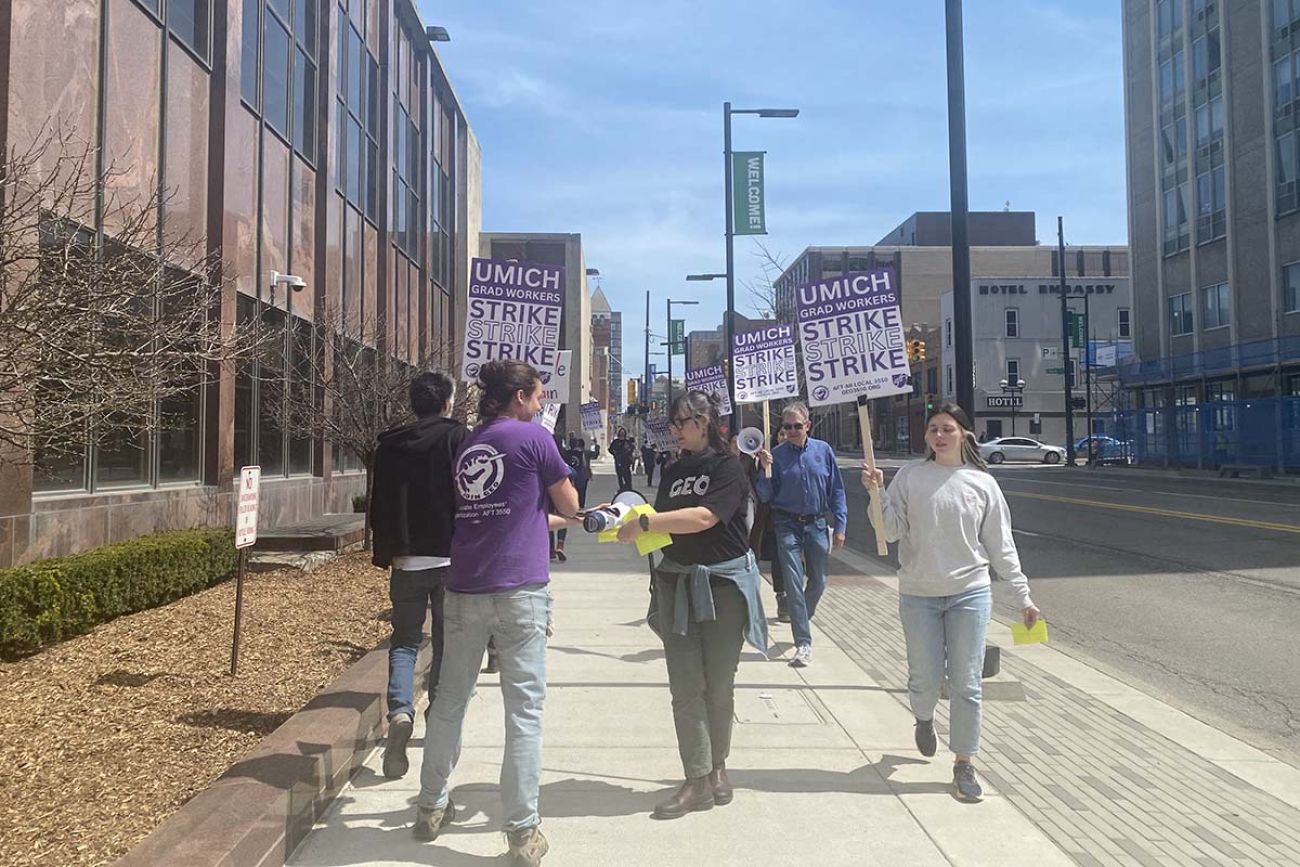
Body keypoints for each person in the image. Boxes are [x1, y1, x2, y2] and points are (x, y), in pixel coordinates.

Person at [413, 360, 579, 866]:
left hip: (464, 585)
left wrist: (533, 516)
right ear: (520, 398)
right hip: (520, 590)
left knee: (449, 701)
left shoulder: (469, 443)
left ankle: (430, 805)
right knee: (523, 713)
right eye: (538, 395)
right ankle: (522, 832)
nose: (542, 402)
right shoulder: (534, 440)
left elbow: (504, 507)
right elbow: (569, 505)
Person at [862, 403, 1041, 803]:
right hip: (918, 593)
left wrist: (1023, 596)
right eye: (932, 430)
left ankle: (964, 763)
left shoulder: (982, 483)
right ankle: (923, 717)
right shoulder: (910, 477)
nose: (938, 436)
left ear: (965, 434)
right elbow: (888, 532)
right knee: (924, 678)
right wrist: (876, 494)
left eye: (947, 429)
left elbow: (1001, 546)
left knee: (967, 682)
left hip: (970, 592)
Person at [617, 391, 768, 820]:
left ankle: (718, 767)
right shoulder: (675, 469)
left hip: (723, 587)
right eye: (673, 423)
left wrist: (645, 522)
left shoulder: (729, 469)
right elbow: (668, 528)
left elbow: (704, 518)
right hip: (677, 584)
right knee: (686, 688)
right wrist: (628, 525)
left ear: (704, 422)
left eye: (681, 421)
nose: (675, 429)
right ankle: (697, 777)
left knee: (719, 685)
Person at [369, 372, 466, 779]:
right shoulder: (459, 439)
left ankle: (399, 713)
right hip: (449, 560)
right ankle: (437, 713)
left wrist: (386, 552)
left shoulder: (389, 445)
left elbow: (380, 504)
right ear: (446, 402)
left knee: (405, 642)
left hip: (406, 560)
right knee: (447, 644)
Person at [755, 402, 848, 668]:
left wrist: (840, 525)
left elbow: (837, 491)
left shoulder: (823, 451)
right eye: (788, 427)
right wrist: (764, 470)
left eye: (798, 425)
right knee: (794, 583)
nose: (793, 430)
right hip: (787, 525)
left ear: (807, 425)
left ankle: (802, 615)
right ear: (782, 429)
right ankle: (803, 643)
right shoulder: (776, 455)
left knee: (819, 580)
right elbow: (765, 495)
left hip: (817, 525)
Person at [552, 433, 592, 562]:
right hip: (562, 490)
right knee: (563, 517)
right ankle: (560, 546)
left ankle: (550, 550)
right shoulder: (563, 456)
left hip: (546, 495)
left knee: (548, 520)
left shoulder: (544, 456)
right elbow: (571, 472)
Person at [610, 426, 635, 491]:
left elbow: (631, 449)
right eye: (621, 432)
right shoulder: (616, 442)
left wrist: (628, 452)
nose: (622, 434)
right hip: (618, 460)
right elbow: (611, 449)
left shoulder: (627, 442)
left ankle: (628, 486)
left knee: (627, 475)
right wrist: (615, 453)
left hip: (626, 461)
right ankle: (621, 487)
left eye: (623, 432)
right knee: (619, 475)